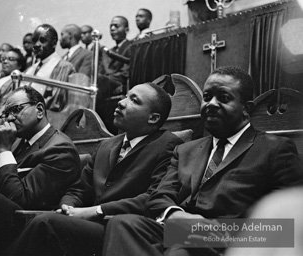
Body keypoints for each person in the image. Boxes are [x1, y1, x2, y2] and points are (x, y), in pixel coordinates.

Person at [101, 66, 303, 256]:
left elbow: (286, 223)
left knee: (180, 248)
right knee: (122, 224)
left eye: (223, 98)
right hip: (176, 229)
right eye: (207, 97)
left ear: (246, 108)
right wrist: (175, 215)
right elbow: (159, 196)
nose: (211, 104)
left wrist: (209, 230)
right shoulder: (185, 149)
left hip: (227, 239)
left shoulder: (275, 149)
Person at [2, 82, 184, 256]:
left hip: (123, 227)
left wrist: (96, 211)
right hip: (90, 224)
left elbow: (152, 197)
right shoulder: (107, 145)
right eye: (126, 96)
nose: (121, 102)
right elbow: (79, 188)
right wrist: (68, 207)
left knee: (46, 223)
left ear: (153, 118)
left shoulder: (168, 145)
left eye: (134, 100)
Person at [0, 86, 81, 255]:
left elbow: (21, 199)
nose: (9, 118)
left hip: (30, 228)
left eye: (16, 110)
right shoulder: (20, 142)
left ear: (39, 110)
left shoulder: (60, 149)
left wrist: (3, 150)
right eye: (6, 113)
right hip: (5, 223)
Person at [23, 23, 75, 112]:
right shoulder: (31, 68)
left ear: (54, 43)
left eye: (42, 40)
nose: (36, 45)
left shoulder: (63, 67)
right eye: (34, 41)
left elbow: (55, 103)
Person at [97, 15, 132, 134]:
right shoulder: (108, 50)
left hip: (119, 82)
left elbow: (125, 73)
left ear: (126, 29)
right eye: (111, 26)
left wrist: (105, 78)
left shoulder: (131, 46)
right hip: (106, 83)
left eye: (116, 26)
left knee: (98, 80)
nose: (112, 28)